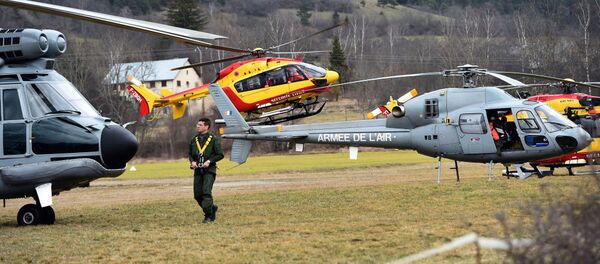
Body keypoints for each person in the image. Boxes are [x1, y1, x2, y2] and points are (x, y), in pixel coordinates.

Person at [189, 118, 224, 223]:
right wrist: (192, 162)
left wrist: (209, 161)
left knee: (206, 192)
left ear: (206, 126)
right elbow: (190, 154)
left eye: (200, 125)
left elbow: (220, 154)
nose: (198, 126)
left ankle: (208, 215)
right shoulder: (194, 139)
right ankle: (211, 207)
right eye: (197, 124)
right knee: (197, 195)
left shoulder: (213, 139)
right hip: (198, 171)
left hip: (209, 170)